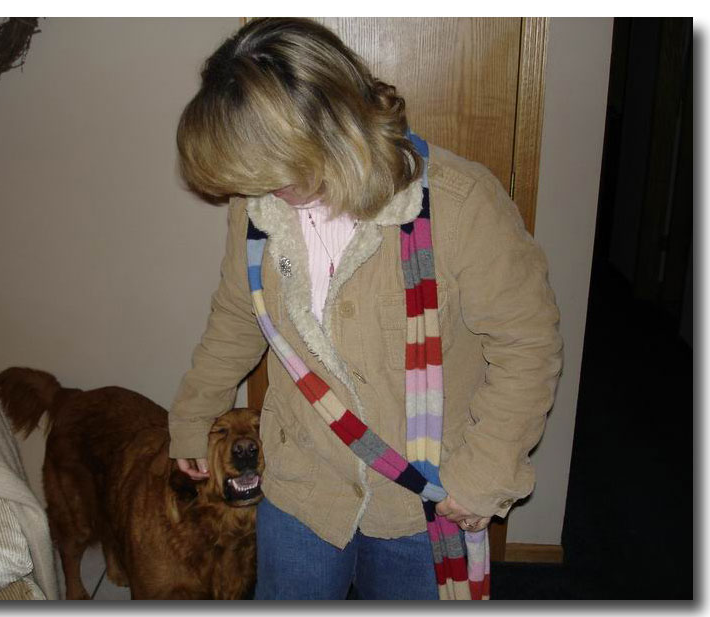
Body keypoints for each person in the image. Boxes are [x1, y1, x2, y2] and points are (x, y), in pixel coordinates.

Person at [168, 17, 563, 600]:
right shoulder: (256, 206)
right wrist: (192, 418)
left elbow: (527, 345)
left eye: (274, 171)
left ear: (331, 126)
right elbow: (235, 316)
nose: (259, 192)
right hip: (303, 486)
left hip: (421, 502)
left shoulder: (462, 204)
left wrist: (486, 470)